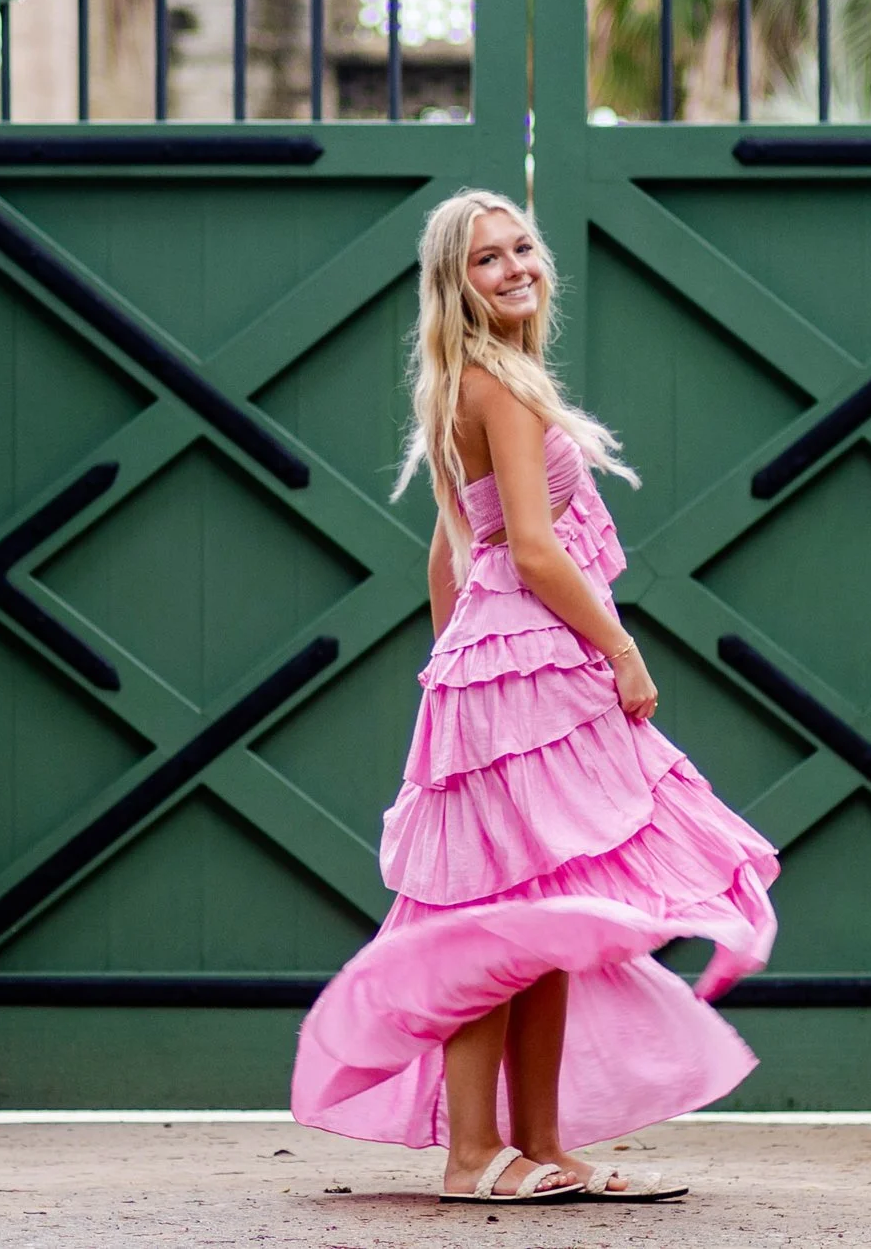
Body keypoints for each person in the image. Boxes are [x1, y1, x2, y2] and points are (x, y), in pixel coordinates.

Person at [291, 188, 780, 1205]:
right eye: (486, 259)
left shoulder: (478, 382)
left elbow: (448, 543)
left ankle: (543, 1147)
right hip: (535, 658)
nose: (514, 266)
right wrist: (623, 649)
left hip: (508, 668)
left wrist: (456, 659)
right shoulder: (494, 385)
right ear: (453, 284)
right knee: (498, 926)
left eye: (522, 247)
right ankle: (474, 1155)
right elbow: (535, 547)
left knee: (545, 920)